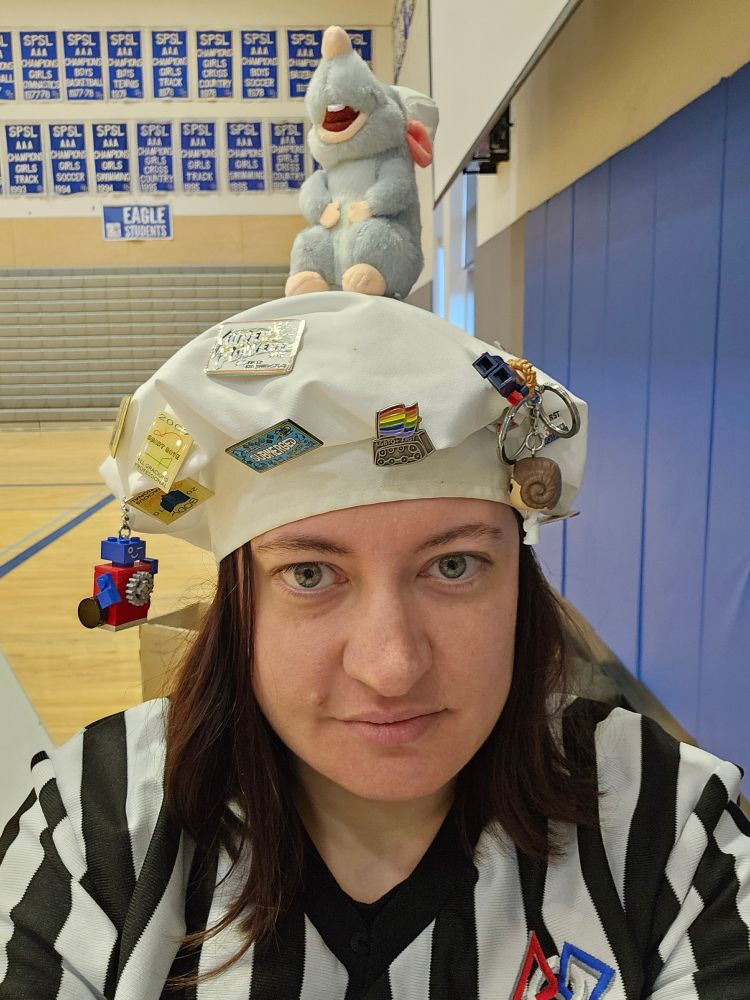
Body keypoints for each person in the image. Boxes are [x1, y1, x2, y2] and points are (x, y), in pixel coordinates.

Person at [1, 293, 748, 1000]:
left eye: (453, 566)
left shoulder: (669, 829)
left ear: (521, 587)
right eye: (309, 573)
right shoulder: (96, 832)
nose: (392, 668)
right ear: (239, 608)